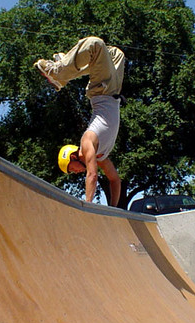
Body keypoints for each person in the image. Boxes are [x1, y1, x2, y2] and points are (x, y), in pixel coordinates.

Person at [34, 37, 124, 207]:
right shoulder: (100, 157)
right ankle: (68, 66)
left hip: (101, 90)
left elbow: (92, 176)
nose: (75, 172)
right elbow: (114, 180)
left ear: (73, 157)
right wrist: (113, 209)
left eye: (71, 168)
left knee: (95, 45)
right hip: (114, 91)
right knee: (116, 54)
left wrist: (87, 205)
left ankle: (58, 72)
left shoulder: (87, 142)